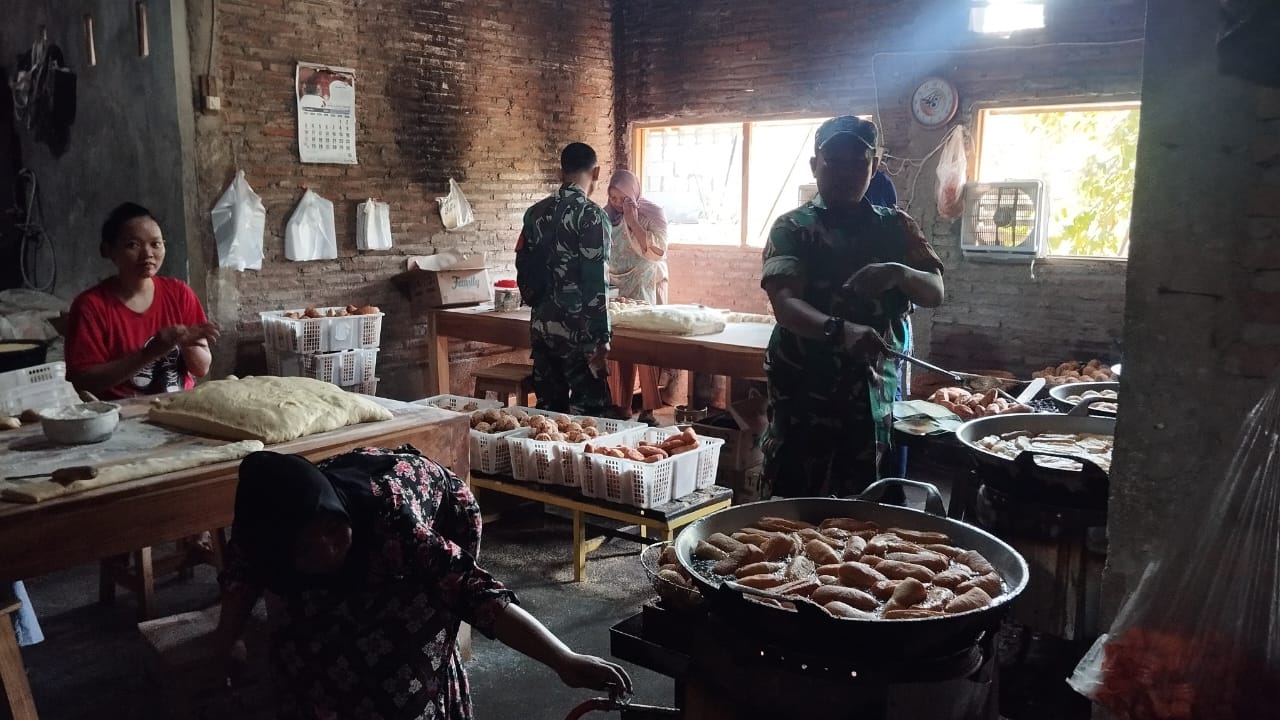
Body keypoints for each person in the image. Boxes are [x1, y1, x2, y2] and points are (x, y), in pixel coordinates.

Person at [215, 446, 632, 720]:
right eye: (305, 547)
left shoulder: (388, 522)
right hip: (355, 535)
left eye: (330, 529)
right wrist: (228, 639)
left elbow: (474, 592)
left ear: (335, 511)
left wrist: (564, 660)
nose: (326, 549)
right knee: (302, 653)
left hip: (441, 512)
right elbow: (240, 579)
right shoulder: (258, 537)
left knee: (402, 668)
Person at [760, 116, 945, 499]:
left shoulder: (897, 227)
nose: (846, 172)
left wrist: (897, 273)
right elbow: (785, 303)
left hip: (872, 395)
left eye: (858, 162)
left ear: (874, 166)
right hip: (804, 392)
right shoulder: (793, 228)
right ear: (815, 166)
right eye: (834, 161)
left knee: (869, 506)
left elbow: (934, 291)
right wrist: (839, 331)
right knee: (793, 506)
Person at [65, 202, 219, 399]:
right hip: (122, 417)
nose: (148, 254)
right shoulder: (90, 306)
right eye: (133, 245)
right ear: (108, 250)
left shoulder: (180, 294)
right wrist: (149, 353)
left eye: (156, 244)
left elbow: (201, 369)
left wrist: (187, 343)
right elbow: (84, 383)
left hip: (177, 409)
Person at [518, 142, 613, 415]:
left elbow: (522, 262)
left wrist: (537, 305)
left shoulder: (535, 213)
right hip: (579, 334)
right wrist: (601, 337)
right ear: (596, 172)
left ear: (562, 172)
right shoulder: (592, 216)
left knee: (548, 414)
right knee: (591, 416)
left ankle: (543, 459)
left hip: (542, 330)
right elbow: (596, 281)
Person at [604, 169, 669, 425]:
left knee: (645, 348)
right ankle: (622, 405)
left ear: (634, 193)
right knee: (621, 347)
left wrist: (633, 221)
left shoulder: (652, 213)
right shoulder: (606, 215)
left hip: (644, 283)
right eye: (613, 198)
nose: (618, 204)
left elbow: (658, 249)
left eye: (623, 198)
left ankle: (650, 409)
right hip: (617, 283)